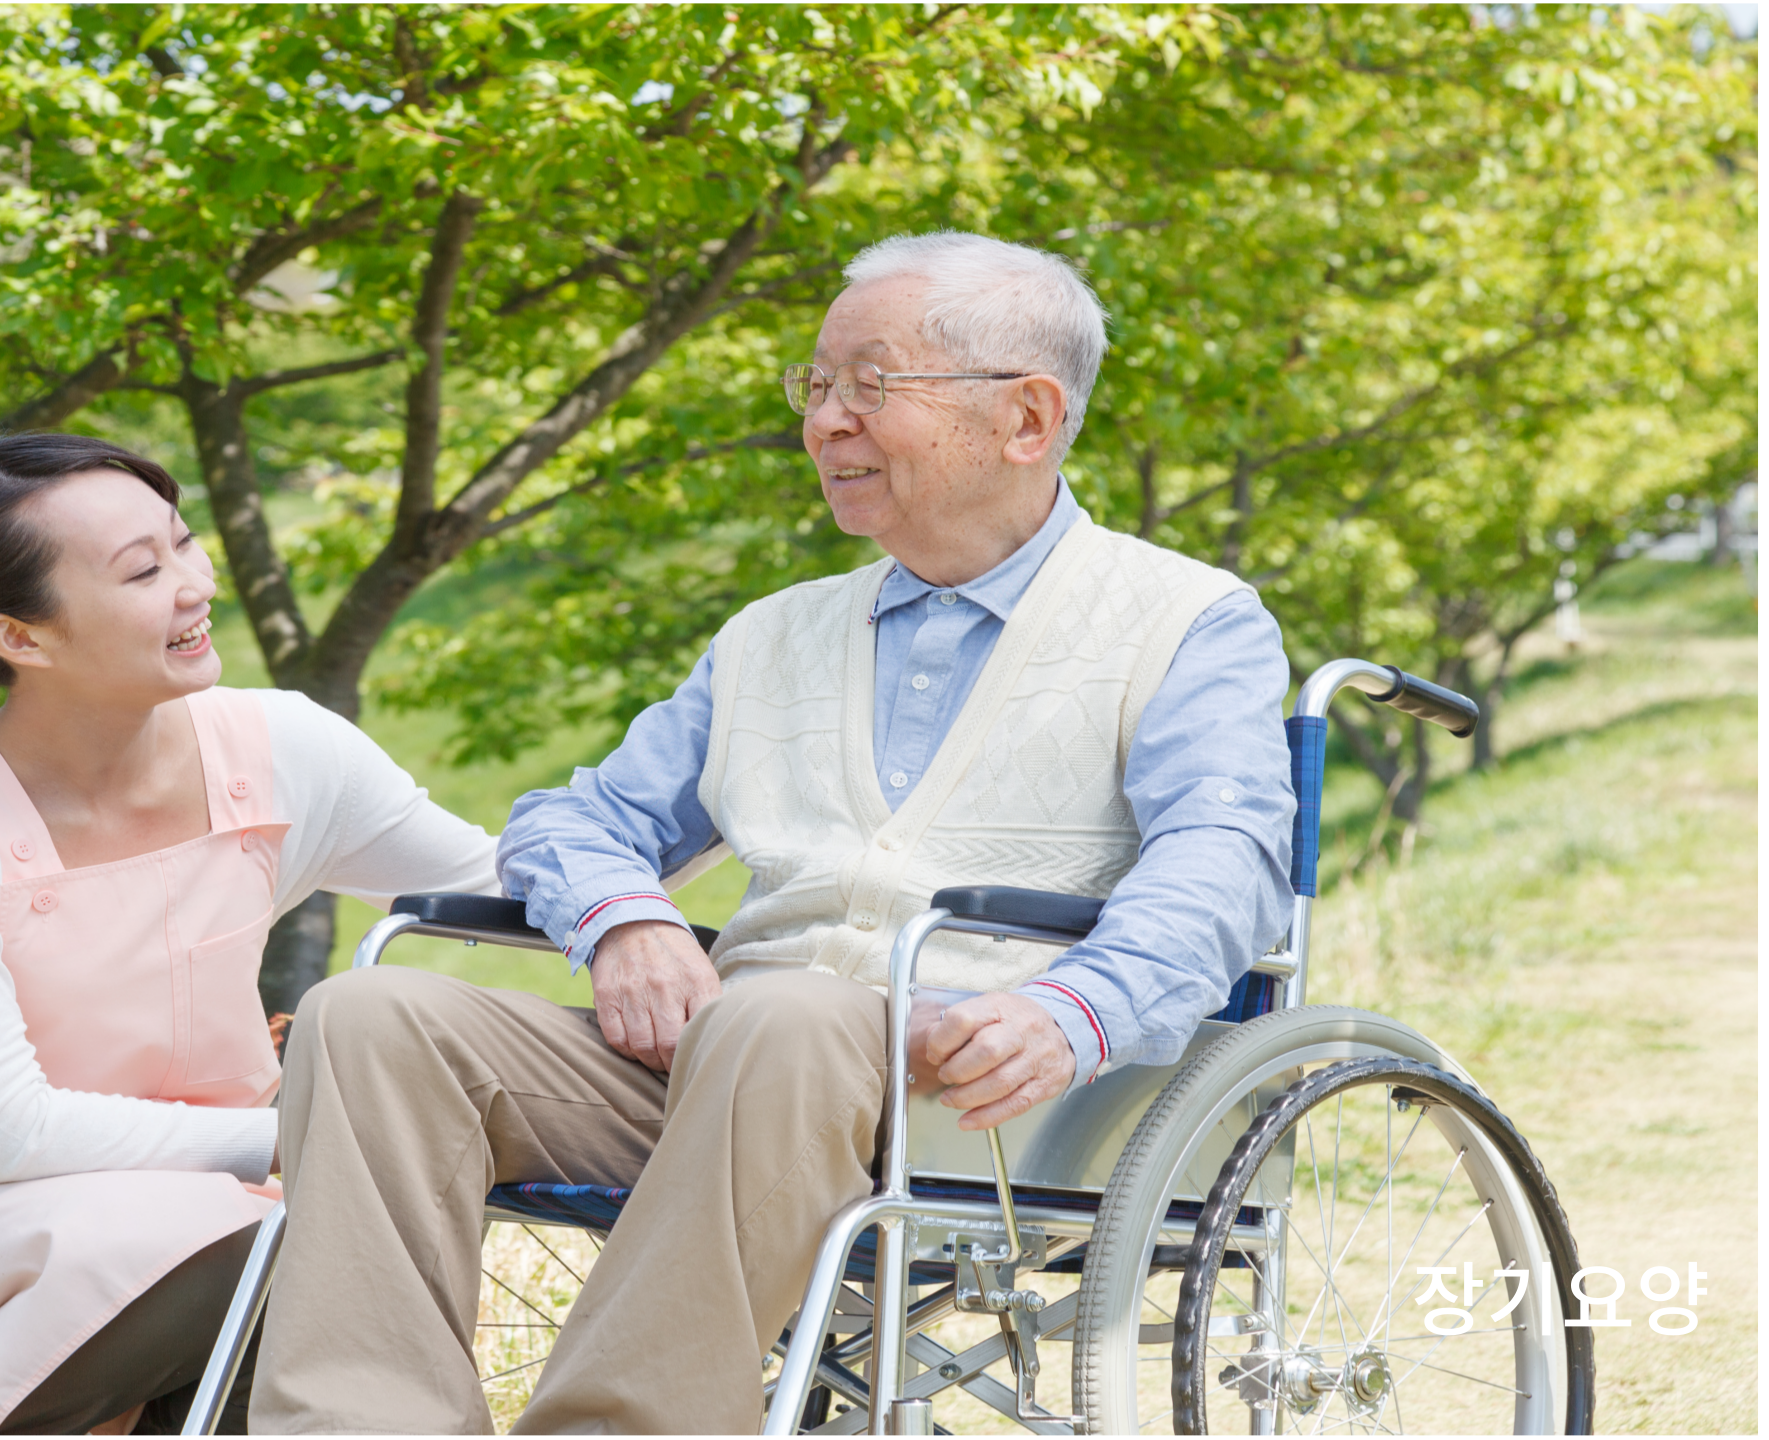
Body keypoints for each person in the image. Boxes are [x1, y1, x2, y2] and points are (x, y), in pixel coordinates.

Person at [249, 231, 1298, 1434]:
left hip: (986, 1098)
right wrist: (626, 920)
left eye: (870, 385)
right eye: (816, 384)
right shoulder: (771, 634)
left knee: (780, 1015)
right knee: (370, 1018)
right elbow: (572, 820)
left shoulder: (1187, 621)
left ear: (1026, 418)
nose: (824, 421)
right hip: (730, 1067)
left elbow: (1224, 863)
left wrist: (1076, 1010)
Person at [0, 433, 497, 1435]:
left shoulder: (282, 747)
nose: (196, 585)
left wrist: (676, 816)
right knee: (287, 1249)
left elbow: (499, 887)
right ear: (20, 636)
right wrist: (306, 1138)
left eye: (183, 543)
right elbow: (5, 1130)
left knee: (306, 1290)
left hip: (219, 1202)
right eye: (143, 572)